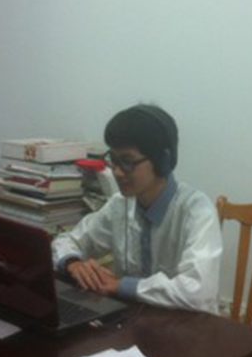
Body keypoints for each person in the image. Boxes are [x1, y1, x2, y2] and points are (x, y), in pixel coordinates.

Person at [51, 104, 222, 313]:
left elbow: (198, 292)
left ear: (162, 161)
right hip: (134, 319)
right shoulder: (120, 205)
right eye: (114, 160)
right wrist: (73, 263)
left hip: (185, 325)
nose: (117, 172)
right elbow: (67, 241)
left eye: (127, 162)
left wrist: (121, 286)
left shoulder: (197, 211)